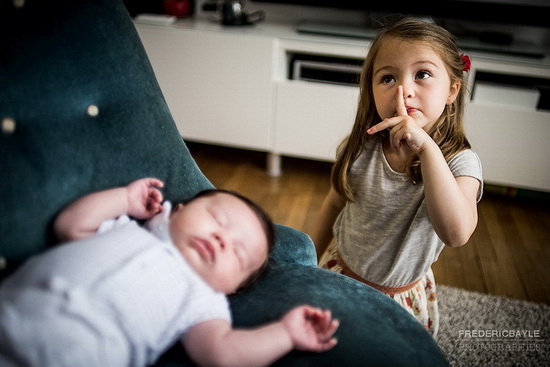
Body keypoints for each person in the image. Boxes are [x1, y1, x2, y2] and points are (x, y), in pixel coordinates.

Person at [0, 178, 339, 367]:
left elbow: (222, 353)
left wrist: (285, 334)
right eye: (218, 220)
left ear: (232, 288)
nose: (222, 239)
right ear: (175, 211)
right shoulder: (126, 229)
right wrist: (124, 199)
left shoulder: (203, 300)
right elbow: (70, 225)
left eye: (238, 253)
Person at [310, 18, 483, 338]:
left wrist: (428, 149)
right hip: (339, 272)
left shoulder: (461, 162)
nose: (404, 91)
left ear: (452, 90)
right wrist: (307, 260)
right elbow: (335, 202)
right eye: (388, 77)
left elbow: (457, 233)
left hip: (400, 297)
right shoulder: (360, 146)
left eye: (423, 74)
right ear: (370, 90)